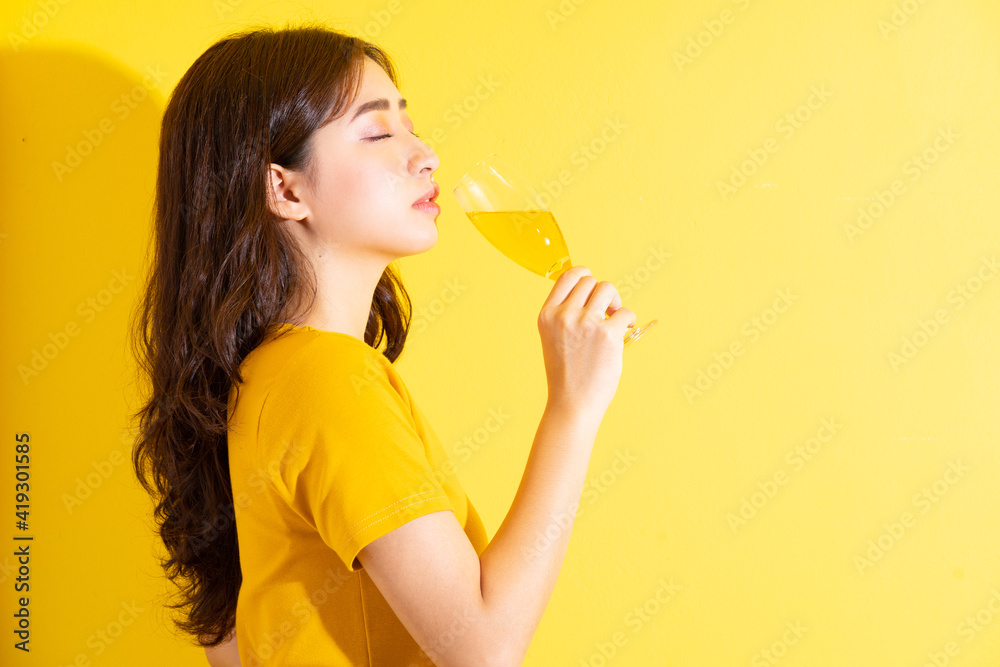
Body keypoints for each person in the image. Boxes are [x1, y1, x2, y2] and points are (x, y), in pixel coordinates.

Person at [129, 22, 636, 667]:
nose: (426, 155)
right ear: (284, 189)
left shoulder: (266, 378)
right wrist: (574, 407)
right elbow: (484, 650)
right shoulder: (327, 380)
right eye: (377, 133)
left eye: (409, 125)